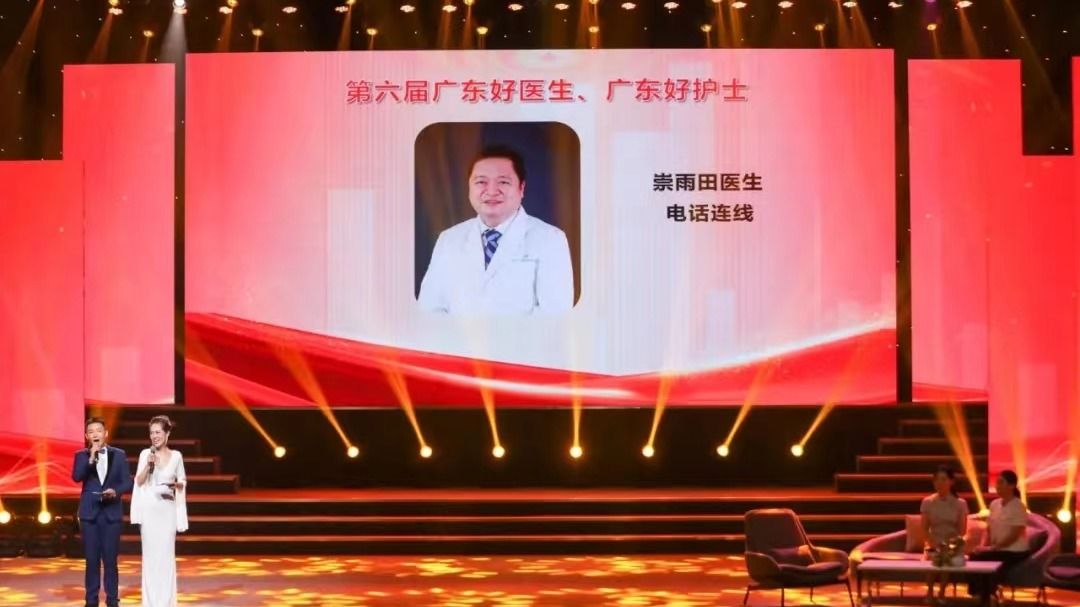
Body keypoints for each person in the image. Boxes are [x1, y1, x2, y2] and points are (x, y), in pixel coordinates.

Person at [418, 145, 574, 315]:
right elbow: (429, 309)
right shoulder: (449, 239)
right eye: (481, 182)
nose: (492, 191)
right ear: (469, 187)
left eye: (503, 182)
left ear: (521, 188)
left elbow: (555, 315)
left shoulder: (551, 239)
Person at [72, 417, 133, 607]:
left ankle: (112, 600)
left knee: (110, 560)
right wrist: (91, 457)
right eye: (91, 432)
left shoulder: (119, 455)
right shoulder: (81, 455)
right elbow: (77, 477)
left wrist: (116, 491)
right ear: (86, 436)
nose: (95, 434)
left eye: (98, 430)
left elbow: (127, 481)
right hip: (89, 514)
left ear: (105, 433)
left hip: (111, 512)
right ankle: (91, 600)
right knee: (91, 560)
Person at [130, 415, 188, 607]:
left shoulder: (177, 456)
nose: (154, 436)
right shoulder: (145, 454)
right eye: (151, 433)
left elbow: (182, 480)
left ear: (167, 433)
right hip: (149, 511)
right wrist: (149, 464)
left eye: (158, 432)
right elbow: (138, 481)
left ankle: (166, 602)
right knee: (150, 558)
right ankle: (150, 603)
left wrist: (177, 485)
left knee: (166, 557)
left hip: (167, 511)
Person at [969, 470, 1029, 602]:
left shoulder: (1018, 506)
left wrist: (994, 548)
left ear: (1012, 486)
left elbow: (1014, 534)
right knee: (975, 555)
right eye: (996, 483)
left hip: (1014, 550)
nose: (997, 486)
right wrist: (982, 546)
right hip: (998, 548)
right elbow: (988, 529)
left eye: (1001, 483)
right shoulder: (994, 504)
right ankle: (980, 595)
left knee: (984, 558)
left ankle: (985, 595)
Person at [920, 465, 969, 603]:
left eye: (943, 479)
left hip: (952, 544)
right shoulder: (927, 502)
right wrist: (932, 543)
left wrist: (950, 545)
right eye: (936, 480)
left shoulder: (960, 504)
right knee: (933, 556)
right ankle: (929, 591)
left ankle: (942, 592)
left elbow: (962, 531)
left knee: (946, 557)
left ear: (951, 482)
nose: (939, 483)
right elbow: (924, 528)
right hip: (933, 542)